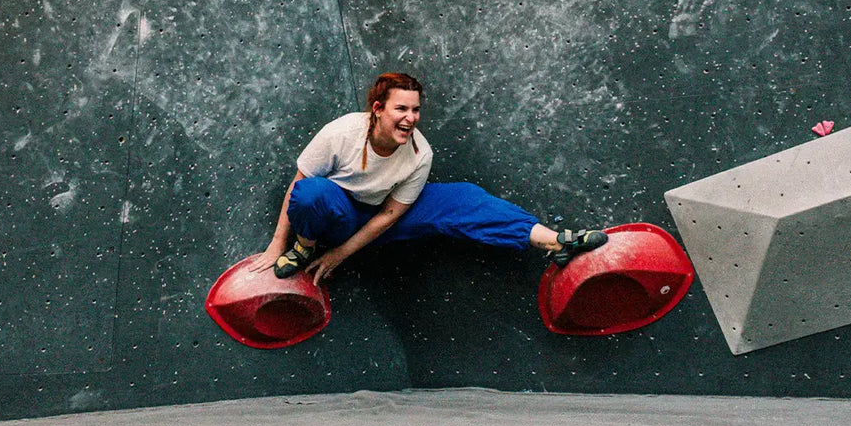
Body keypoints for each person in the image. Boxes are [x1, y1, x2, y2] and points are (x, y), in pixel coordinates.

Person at [250, 72, 606, 285]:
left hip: (380, 219)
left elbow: (390, 216)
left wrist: (340, 255)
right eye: (401, 109)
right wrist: (276, 245)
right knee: (312, 191)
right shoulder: (340, 133)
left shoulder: (421, 154)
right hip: (335, 213)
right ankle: (303, 249)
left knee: (464, 198)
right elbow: (298, 185)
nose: (411, 118)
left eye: (415, 109)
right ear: (378, 109)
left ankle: (554, 242)